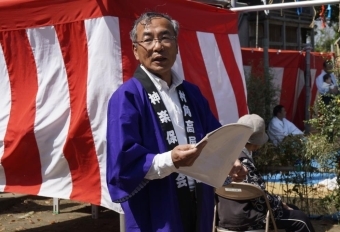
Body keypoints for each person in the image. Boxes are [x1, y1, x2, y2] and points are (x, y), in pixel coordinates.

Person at [106, 12, 247, 232]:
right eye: (148, 39)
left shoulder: (191, 93)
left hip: (198, 200)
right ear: (135, 50)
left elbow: (215, 137)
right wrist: (171, 160)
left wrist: (229, 159)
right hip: (157, 206)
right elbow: (123, 163)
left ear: (177, 45)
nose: (158, 46)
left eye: (165, 37)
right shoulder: (127, 97)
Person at [216, 114, 315, 232]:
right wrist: (280, 203)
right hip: (247, 218)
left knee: (293, 209)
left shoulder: (224, 156)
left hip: (224, 217)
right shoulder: (244, 163)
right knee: (301, 219)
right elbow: (259, 197)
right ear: (256, 143)